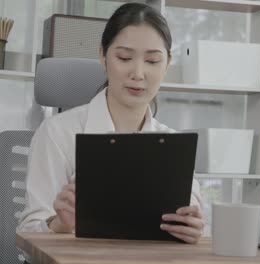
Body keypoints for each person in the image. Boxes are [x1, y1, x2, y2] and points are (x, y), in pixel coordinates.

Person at [18, 3, 204, 244]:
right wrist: (59, 223)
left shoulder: (174, 146)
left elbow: (196, 227)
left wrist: (193, 229)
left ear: (167, 64)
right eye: (124, 57)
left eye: (152, 61)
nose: (138, 73)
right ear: (103, 57)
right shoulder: (58, 133)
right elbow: (28, 232)